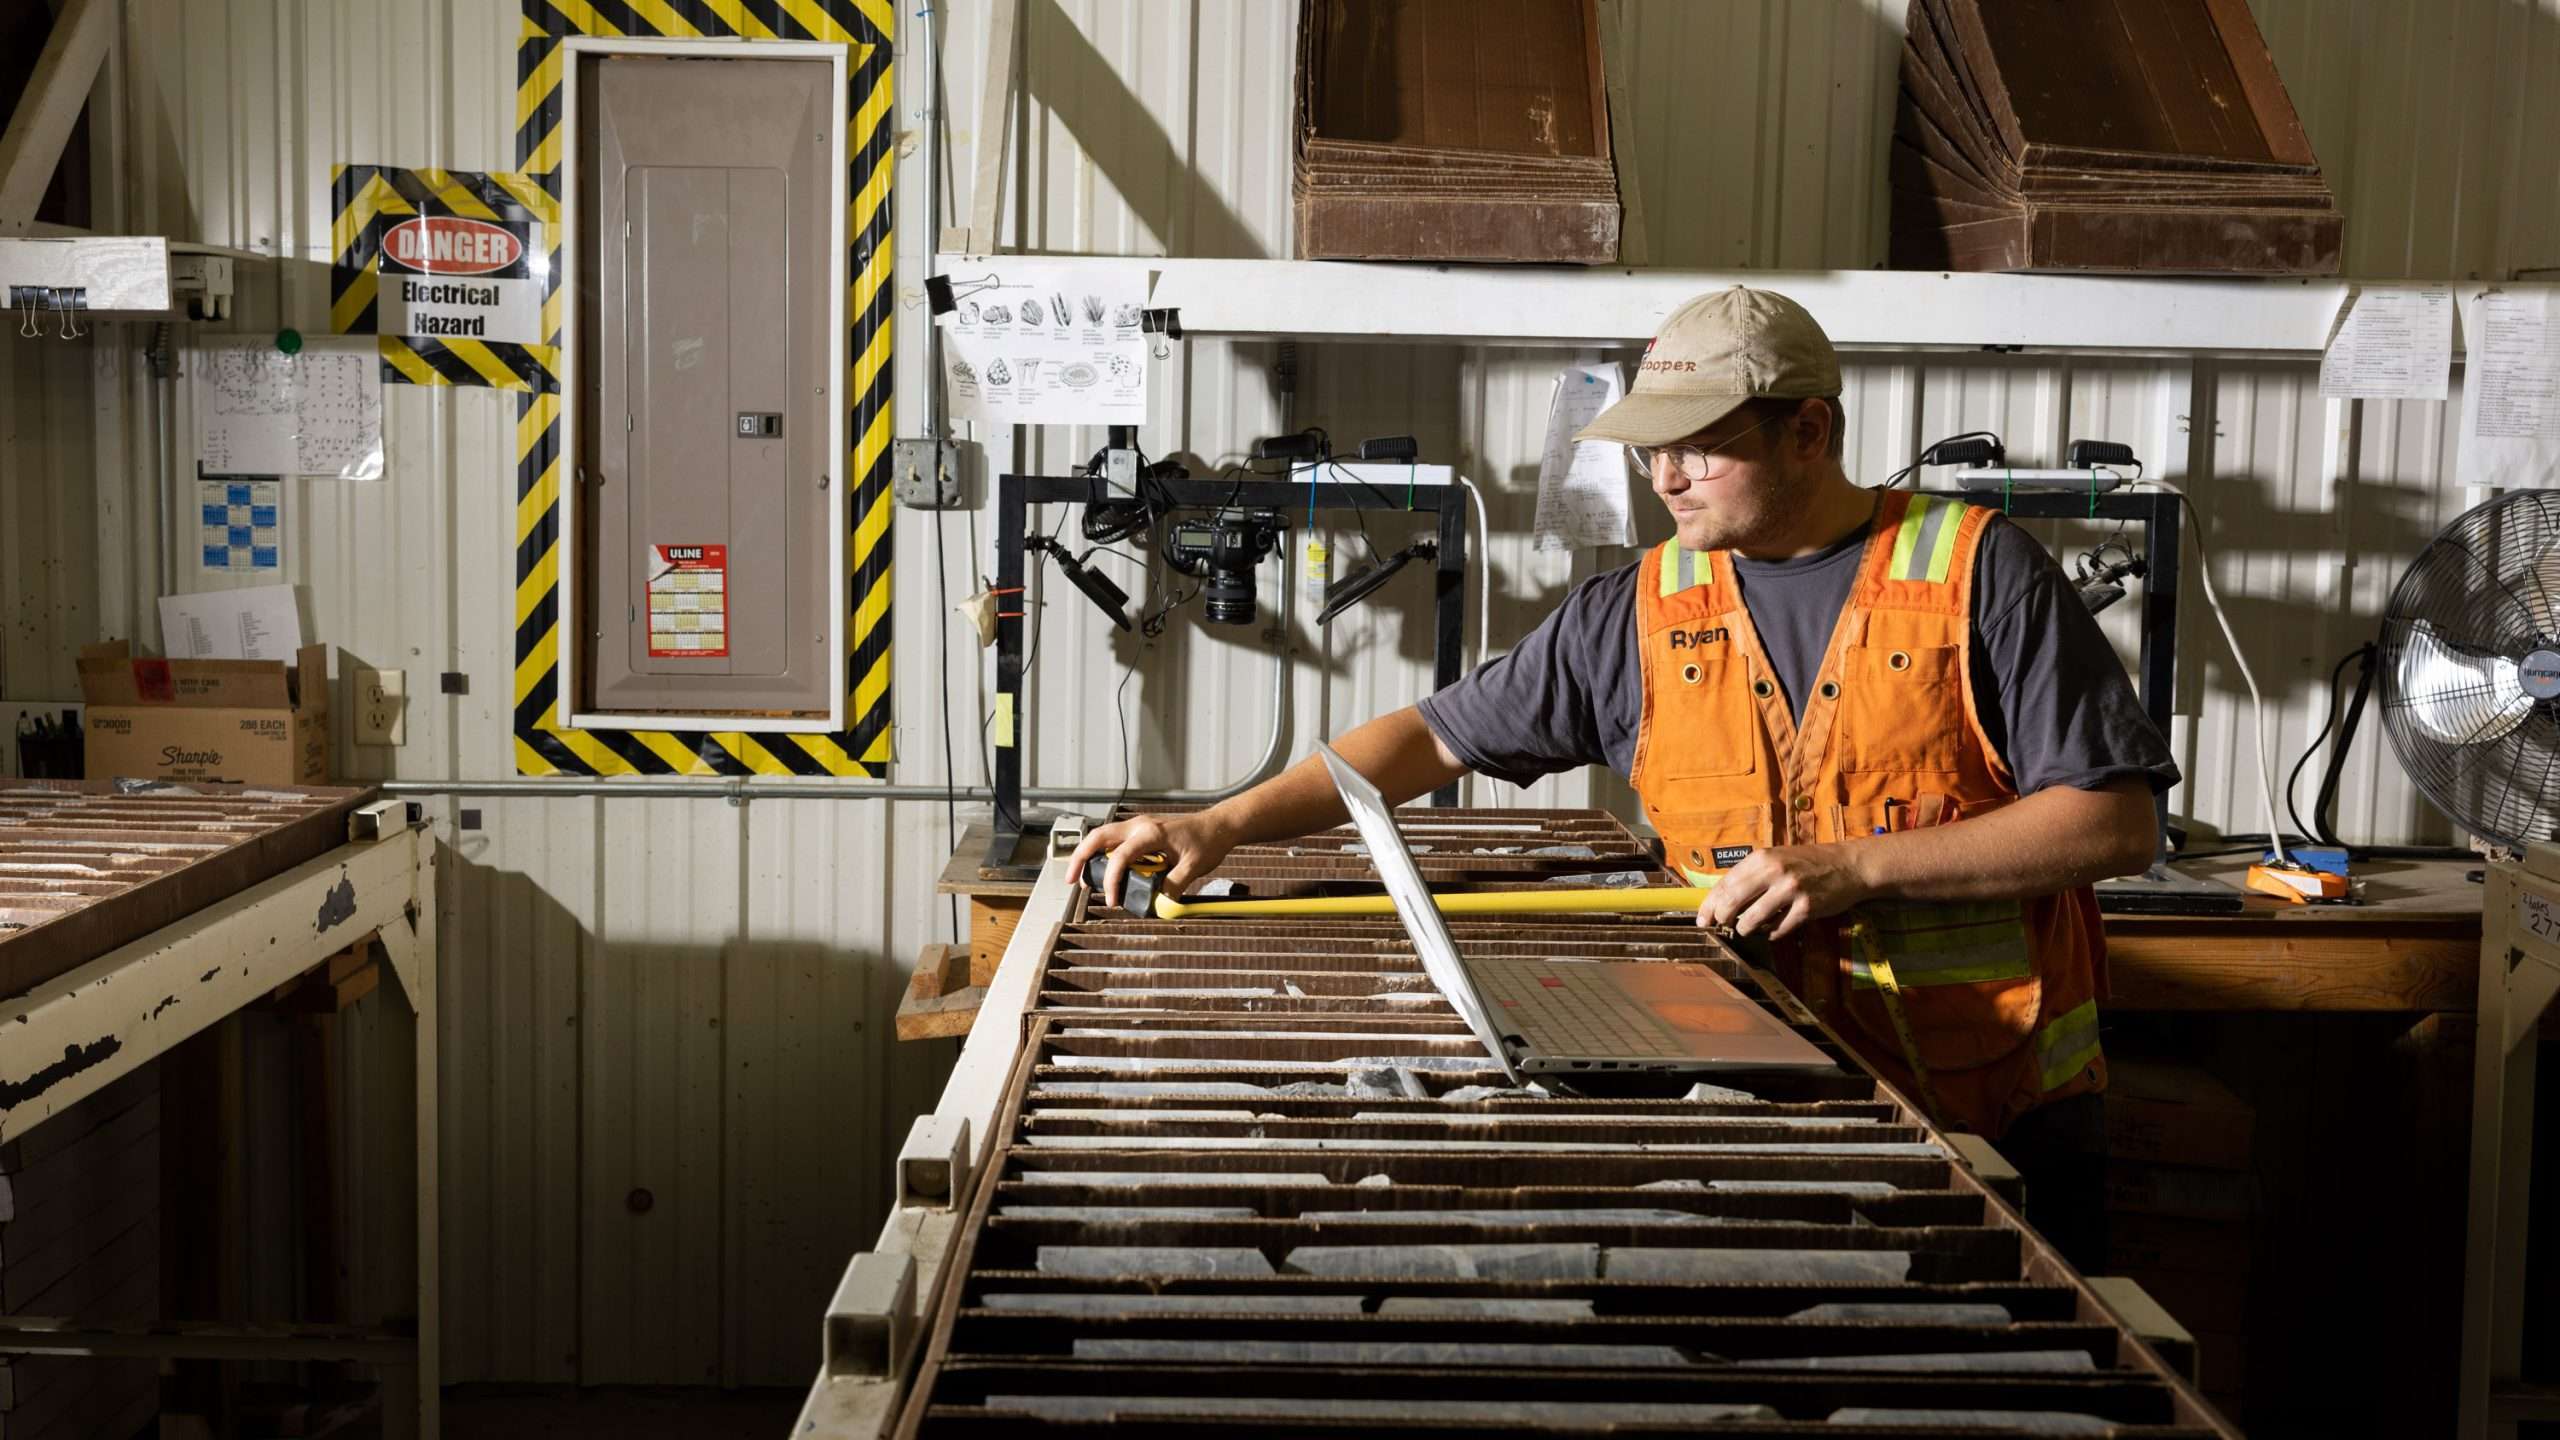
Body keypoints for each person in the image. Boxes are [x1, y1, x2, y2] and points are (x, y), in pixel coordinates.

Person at [1072, 286, 2175, 1267]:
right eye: (1653, 451)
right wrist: (1223, 824)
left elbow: (2115, 825)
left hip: (1997, 1110)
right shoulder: (1641, 611)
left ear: (1809, 431)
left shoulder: (1979, 573)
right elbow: (1428, 740)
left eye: (1699, 448)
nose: (1666, 479)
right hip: (1762, 1103)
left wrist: (1856, 868)